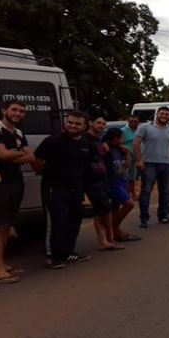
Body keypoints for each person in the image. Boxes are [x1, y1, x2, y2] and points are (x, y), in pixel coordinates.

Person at [34, 111, 92, 268]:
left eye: (77, 124)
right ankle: (52, 256)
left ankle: (68, 252)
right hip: (55, 188)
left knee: (75, 219)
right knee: (57, 222)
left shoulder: (85, 142)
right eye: (70, 122)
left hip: (76, 189)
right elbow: (37, 160)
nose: (72, 126)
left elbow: (84, 165)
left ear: (84, 126)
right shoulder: (53, 141)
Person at [0, 100, 36, 283]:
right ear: (4, 110)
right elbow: (3, 154)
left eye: (22, 111)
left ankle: (1, 263)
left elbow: (32, 156)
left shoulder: (18, 132)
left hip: (15, 181)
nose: (18, 113)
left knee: (6, 227)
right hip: (0, 184)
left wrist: (13, 153)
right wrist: (19, 153)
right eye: (14, 109)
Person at [134, 106, 169, 228]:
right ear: (157, 114)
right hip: (149, 163)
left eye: (167, 114)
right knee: (146, 191)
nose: (164, 116)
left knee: (165, 191)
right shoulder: (145, 127)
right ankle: (144, 219)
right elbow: (136, 143)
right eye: (162, 113)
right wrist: (139, 160)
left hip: (167, 164)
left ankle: (163, 216)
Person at [84, 116, 118, 251]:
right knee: (104, 209)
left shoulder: (98, 139)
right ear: (91, 123)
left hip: (102, 178)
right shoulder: (85, 139)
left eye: (104, 124)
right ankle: (107, 238)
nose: (101, 125)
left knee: (101, 210)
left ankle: (105, 240)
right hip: (91, 179)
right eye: (98, 122)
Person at [103, 128, 140, 244]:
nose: (123, 140)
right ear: (115, 138)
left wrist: (127, 152)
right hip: (112, 182)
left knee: (115, 207)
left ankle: (114, 230)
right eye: (121, 138)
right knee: (129, 204)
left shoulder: (120, 150)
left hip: (122, 179)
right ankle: (114, 228)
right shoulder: (105, 149)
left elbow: (127, 165)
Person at [121, 115, 139, 200]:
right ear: (128, 122)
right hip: (127, 157)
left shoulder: (139, 131)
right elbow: (119, 143)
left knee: (132, 177)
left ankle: (133, 194)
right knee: (125, 177)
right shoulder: (123, 131)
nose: (133, 123)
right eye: (131, 121)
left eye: (135, 121)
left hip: (138, 158)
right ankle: (126, 195)